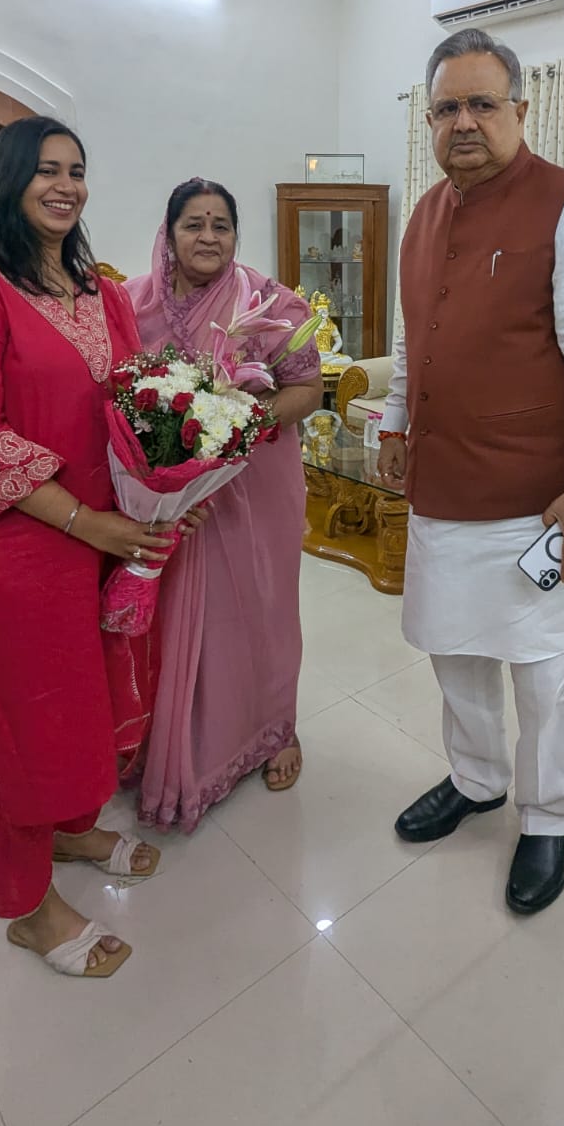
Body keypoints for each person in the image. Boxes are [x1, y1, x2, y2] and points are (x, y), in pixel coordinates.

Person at [380, 28, 564, 916]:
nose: (464, 121)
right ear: (430, 121)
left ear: (520, 111)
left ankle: (550, 817)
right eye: (447, 107)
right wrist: (393, 420)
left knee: (544, 675)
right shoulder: (424, 215)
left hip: (538, 502)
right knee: (455, 652)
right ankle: (478, 778)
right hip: (442, 489)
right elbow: (413, 340)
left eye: (483, 104)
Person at [0, 117, 183, 979]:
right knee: (28, 725)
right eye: (45, 170)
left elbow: (138, 409)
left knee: (84, 705)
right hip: (18, 549)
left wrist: (174, 484)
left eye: (76, 170)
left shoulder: (102, 293)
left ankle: (72, 830)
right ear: (9, 181)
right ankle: (29, 909)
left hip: (102, 537)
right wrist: (87, 522)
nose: (66, 186)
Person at [125, 179, 323, 830]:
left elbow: (309, 390)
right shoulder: (131, 304)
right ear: (169, 232)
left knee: (261, 608)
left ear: (236, 235)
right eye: (194, 224)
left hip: (255, 484)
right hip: (173, 497)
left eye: (221, 225)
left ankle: (274, 729)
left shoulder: (269, 303)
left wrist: (238, 425)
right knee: (177, 616)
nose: (208, 237)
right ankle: (175, 739)